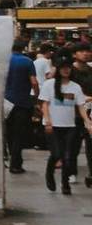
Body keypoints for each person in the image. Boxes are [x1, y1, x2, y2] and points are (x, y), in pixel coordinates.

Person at [39, 55, 92, 195]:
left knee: (67, 156)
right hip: (52, 126)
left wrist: (88, 122)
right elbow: (44, 104)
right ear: (58, 69)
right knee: (57, 154)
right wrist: (48, 121)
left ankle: (65, 184)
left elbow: (81, 106)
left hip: (69, 126)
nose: (66, 70)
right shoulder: (49, 84)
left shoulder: (75, 87)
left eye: (68, 67)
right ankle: (49, 173)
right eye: (63, 67)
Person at [4, 40, 39, 174]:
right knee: (19, 134)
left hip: (6, 102)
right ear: (23, 48)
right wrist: (36, 98)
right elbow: (34, 82)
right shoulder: (27, 61)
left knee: (9, 133)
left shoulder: (4, 61)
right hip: (22, 103)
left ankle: (10, 158)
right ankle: (16, 164)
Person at [71, 42, 92, 187]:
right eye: (81, 51)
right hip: (72, 114)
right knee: (73, 145)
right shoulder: (68, 71)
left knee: (91, 145)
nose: (85, 53)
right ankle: (71, 172)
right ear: (74, 54)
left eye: (88, 51)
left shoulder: (91, 70)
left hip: (90, 114)